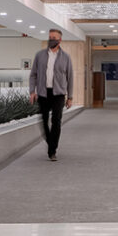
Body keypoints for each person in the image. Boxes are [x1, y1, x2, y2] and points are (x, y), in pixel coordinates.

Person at [29, 29, 73, 161]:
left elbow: (70, 78)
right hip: (43, 93)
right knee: (43, 120)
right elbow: (33, 75)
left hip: (58, 93)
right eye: (49, 37)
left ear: (59, 40)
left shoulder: (66, 57)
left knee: (56, 121)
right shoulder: (40, 55)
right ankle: (51, 143)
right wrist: (32, 91)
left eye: (54, 37)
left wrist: (70, 97)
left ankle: (52, 150)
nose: (51, 39)